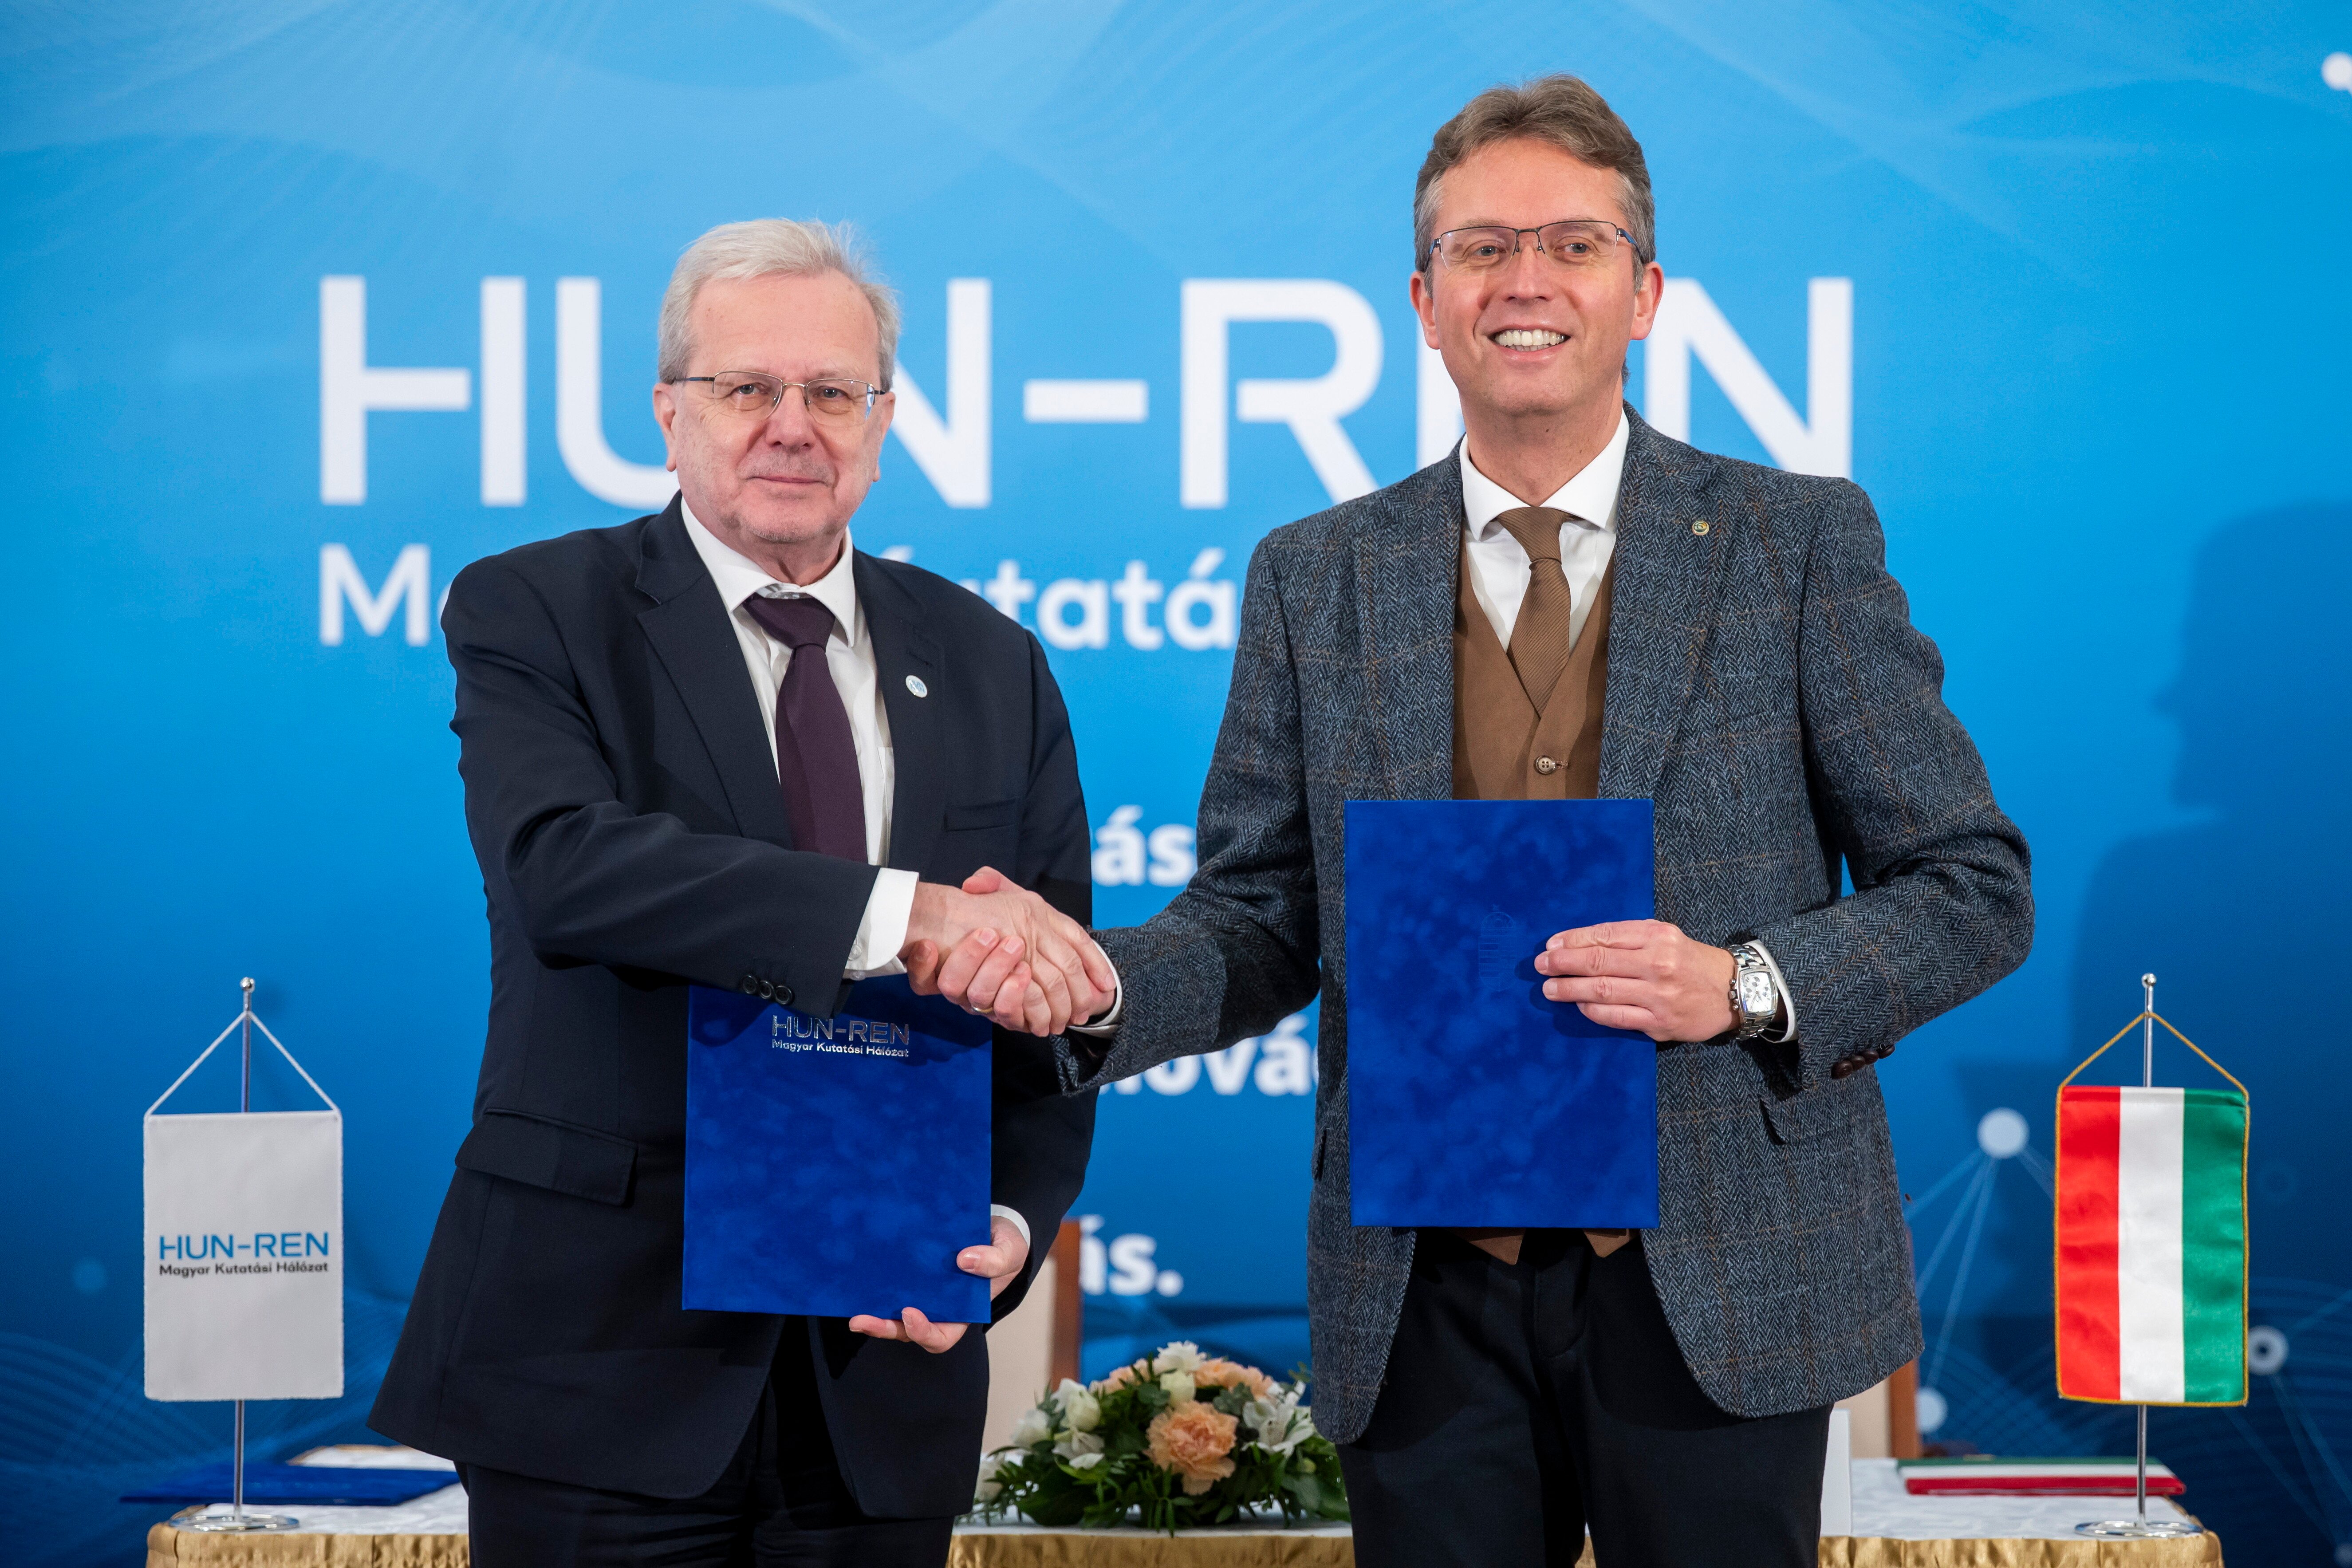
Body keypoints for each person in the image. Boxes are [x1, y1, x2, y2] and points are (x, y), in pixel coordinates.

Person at [937, 76, 2032, 1566]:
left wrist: (1743, 983)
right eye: (1482, 248)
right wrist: (1094, 981)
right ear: (1425, 299)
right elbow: (1259, 918)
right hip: (1420, 1287)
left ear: (1645, 294)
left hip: (1719, 1276)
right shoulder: (1315, 575)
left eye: (1575, 245)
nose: (1527, 281)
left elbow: (1971, 885)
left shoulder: (1792, 542)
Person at [371, 218, 1116, 1568]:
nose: (792, 425)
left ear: (883, 423)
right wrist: (908, 914)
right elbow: (565, 870)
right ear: (670, 413)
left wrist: (1008, 1223)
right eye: (747, 388)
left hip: (881, 1381)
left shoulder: (991, 660)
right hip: (598, 1368)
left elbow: (1044, 990)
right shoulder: (540, 608)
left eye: (833, 391)